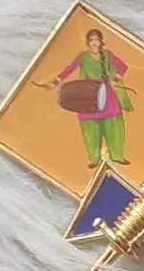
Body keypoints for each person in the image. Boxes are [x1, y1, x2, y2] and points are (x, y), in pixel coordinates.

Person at [43, 27, 132, 167]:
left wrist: (115, 79)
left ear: (101, 41)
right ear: (87, 42)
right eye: (91, 40)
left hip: (107, 93)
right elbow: (70, 68)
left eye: (97, 39)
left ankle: (117, 156)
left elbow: (122, 66)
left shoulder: (107, 55)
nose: (94, 43)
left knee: (114, 124)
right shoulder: (83, 57)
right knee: (90, 126)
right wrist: (55, 82)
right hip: (87, 94)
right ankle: (94, 159)